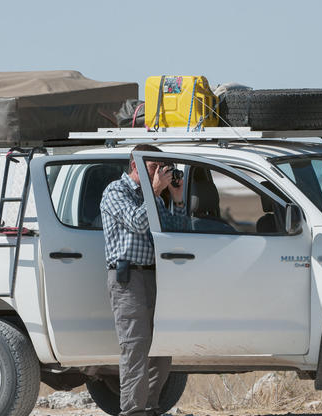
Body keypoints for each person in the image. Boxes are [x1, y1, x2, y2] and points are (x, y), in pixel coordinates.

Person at [100, 144, 186, 416]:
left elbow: (177, 230)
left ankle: (149, 408)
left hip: (155, 276)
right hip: (128, 279)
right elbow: (136, 223)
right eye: (153, 167)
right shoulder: (116, 191)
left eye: (161, 169)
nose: (158, 173)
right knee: (135, 349)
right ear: (135, 165)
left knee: (161, 351)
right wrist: (157, 190)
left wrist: (178, 198)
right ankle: (132, 411)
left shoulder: (155, 197)